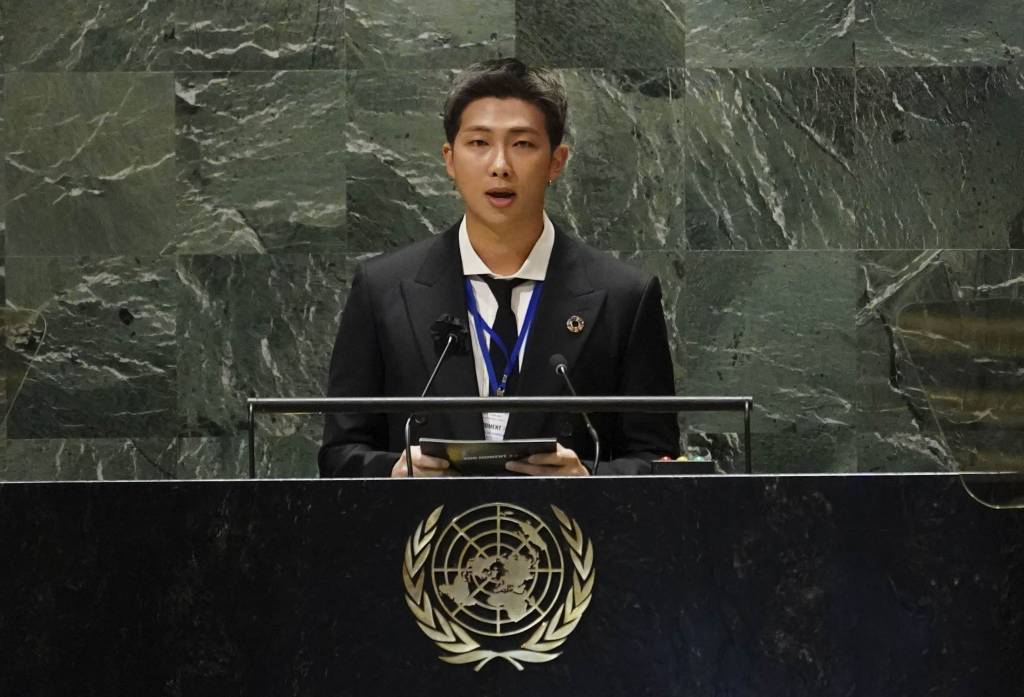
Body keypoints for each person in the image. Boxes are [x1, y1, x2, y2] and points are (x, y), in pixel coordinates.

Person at [319, 58, 679, 478]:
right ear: (449, 160)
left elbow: (659, 461)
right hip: (427, 520)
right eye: (479, 143)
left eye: (522, 144)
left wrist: (586, 477)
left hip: (566, 520)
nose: (500, 165)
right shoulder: (382, 289)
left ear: (556, 162)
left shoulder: (623, 298)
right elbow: (339, 455)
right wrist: (395, 472)